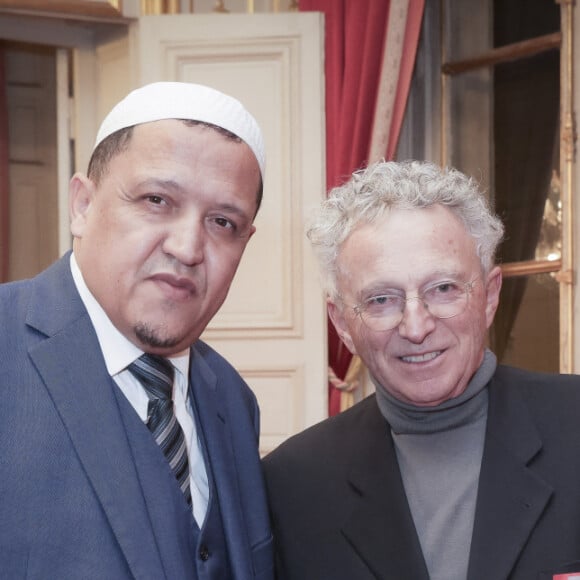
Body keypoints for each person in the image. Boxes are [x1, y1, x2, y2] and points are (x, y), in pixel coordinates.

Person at [0, 81, 273, 580]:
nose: (188, 247)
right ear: (82, 205)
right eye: (156, 200)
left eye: (223, 222)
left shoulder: (233, 399)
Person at [262, 160, 580, 580]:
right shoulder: (293, 485)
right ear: (342, 324)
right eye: (381, 299)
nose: (416, 327)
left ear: (489, 296)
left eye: (444, 288)